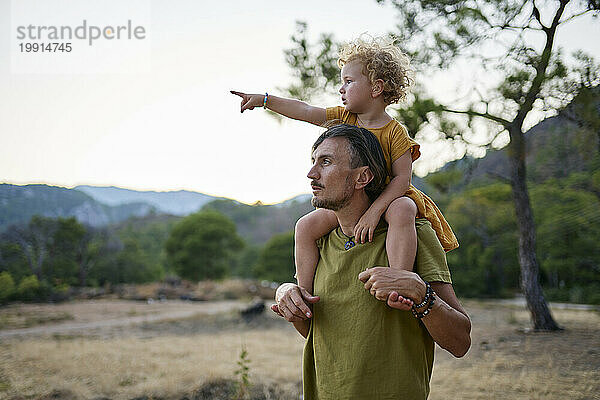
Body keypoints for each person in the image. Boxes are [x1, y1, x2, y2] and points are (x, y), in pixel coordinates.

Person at [231, 36, 458, 305]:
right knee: (305, 225)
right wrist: (265, 100)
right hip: (351, 200)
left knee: (404, 209)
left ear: (376, 87)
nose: (341, 88)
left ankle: (398, 279)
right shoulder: (344, 118)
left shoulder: (395, 133)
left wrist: (374, 212)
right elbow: (304, 110)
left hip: (386, 199)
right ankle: (303, 292)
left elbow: (402, 179)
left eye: (348, 82)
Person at [272, 124, 471, 399]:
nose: (311, 174)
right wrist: (287, 294)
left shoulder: (414, 231)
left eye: (326, 162)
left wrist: (418, 290)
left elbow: (460, 342)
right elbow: (313, 332)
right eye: (313, 162)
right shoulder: (319, 239)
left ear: (362, 177)